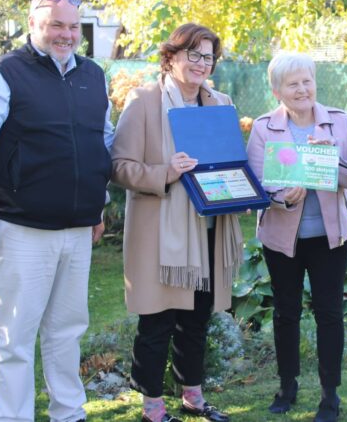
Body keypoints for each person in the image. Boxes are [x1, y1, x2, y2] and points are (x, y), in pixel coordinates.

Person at [0, 0, 114, 421]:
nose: (65, 34)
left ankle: (69, 413)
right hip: (20, 228)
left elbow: (99, 143)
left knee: (67, 331)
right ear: (31, 21)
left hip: (78, 230)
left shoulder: (94, 76)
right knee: (16, 337)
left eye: (72, 26)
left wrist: (99, 205)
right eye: (55, 24)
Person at [110, 23, 242, 422]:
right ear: (171, 57)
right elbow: (120, 168)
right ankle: (152, 407)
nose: (202, 64)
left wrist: (240, 188)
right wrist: (165, 172)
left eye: (208, 57)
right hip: (160, 237)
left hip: (207, 229)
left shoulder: (220, 102)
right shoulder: (145, 101)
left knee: (195, 320)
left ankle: (193, 399)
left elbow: (229, 161)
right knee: (157, 322)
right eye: (194, 55)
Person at [246, 52, 347, 422]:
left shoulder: (339, 123)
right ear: (276, 90)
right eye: (292, 83)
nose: (302, 89)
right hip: (283, 238)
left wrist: (334, 161)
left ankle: (330, 394)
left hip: (331, 238)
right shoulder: (265, 127)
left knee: (330, 313)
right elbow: (257, 184)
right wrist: (283, 196)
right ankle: (287, 385)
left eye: (307, 81)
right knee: (286, 312)